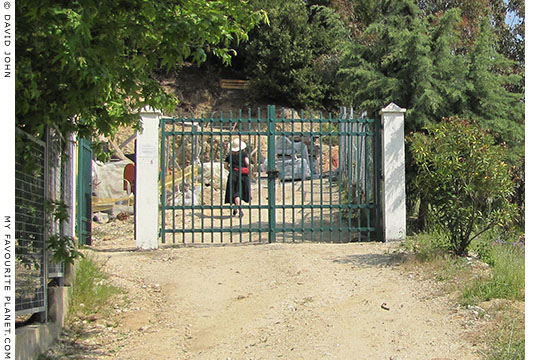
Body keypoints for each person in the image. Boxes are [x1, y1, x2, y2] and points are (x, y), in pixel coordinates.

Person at [224, 138, 251, 217]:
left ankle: (236, 208)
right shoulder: (244, 154)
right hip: (242, 175)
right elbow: (248, 163)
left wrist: (231, 169)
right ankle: (239, 209)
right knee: (238, 193)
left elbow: (225, 166)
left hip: (233, 174)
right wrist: (248, 169)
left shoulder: (229, 156)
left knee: (235, 193)